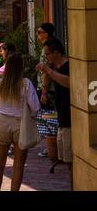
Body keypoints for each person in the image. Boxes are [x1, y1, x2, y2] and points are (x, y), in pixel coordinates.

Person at [0, 53, 41, 191]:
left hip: (2, 122)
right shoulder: (25, 84)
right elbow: (35, 107)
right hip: (20, 124)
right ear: (21, 67)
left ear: (8, 68)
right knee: (19, 165)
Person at [36, 38, 72, 189]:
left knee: (71, 161)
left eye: (48, 54)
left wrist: (49, 70)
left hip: (70, 120)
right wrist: (44, 90)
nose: (47, 58)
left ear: (57, 52)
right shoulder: (55, 67)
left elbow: (70, 82)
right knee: (66, 160)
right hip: (62, 118)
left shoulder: (68, 66)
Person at [36, 22, 55, 157]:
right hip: (46, 87)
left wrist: (44, 91)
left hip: (48, 88)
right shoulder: (47, 47)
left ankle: (50, 148)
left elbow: (47, 71)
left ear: (46, 34)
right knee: (48, 116)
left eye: (39, 32)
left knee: (47, 117)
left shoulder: (47, 48)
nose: (37, 35)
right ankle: (51, 146)